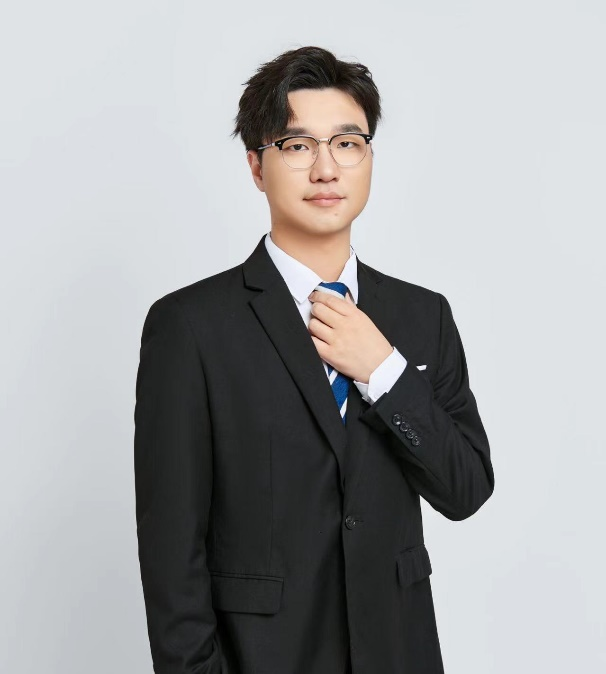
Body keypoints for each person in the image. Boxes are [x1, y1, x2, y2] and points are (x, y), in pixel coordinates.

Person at [134, 45, 494, 674]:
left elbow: (465, 489)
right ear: (256, 165)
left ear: (369, 157)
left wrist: (384, 372)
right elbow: (171, 551)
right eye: (297, 146)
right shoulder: (189, 327)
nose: (326, 169)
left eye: (348, 143)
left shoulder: (422, 316)